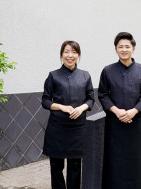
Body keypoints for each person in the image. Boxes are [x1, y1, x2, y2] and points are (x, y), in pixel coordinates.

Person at [98, 32, 141, 189]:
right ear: (115, 49)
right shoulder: (107, 71)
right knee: (113, 162)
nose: (124, 50)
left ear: (133, 49)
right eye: (120, 47)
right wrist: (117, 112)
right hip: (114, 125)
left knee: (134, 162)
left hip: (134, 124)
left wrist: (133, 111)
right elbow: (103, 95)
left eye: (127, 46)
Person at [41, 40, 95, 189]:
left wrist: (82, 108)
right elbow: (45, 101)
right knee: (56, 166)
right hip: (57, 128)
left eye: (74, 52)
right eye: (66, 52)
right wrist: (61, 107)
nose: (70, 55)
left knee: (75, 166)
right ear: (61, 54)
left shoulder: (85, 76)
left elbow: (91, 99)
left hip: (77, 128)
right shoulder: (53, 76)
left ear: (78, 55)